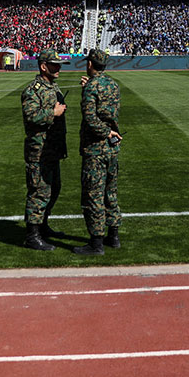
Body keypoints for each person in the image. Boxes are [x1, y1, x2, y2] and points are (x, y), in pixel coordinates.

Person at [73, 49, 122, 256]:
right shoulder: (112, 84)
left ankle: (96, 242)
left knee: (93, 195)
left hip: (96, 148)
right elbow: (108, 110)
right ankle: (114, 235)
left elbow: (91, 119)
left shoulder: (92, 86)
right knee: (110, 193)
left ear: (90, 64)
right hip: (112, 148)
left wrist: (105, 131)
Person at [21, 49, 70, 250]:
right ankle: (32, 235)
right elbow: (31, 116)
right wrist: (54, 112)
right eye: (54, 64)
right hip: (39, 149)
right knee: (39, 191)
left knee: (54, 188)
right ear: (43, 66)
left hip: (52, 148)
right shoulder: (33, 90)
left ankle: (42, 225)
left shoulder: (53, 87)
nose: (58, 68)